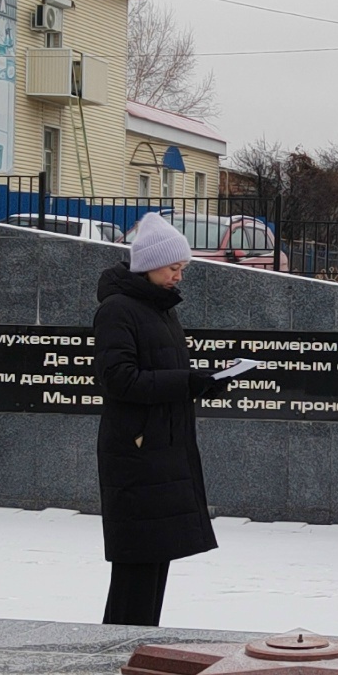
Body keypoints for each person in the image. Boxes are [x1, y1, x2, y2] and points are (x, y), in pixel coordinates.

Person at [93, 212, 219, 626]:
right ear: (148, 265)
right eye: (173, 268)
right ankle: (115, 656)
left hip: (163, 452)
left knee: (154, 564)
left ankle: (137, 646)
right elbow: (119, 380)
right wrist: (186, 382)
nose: (179, 277)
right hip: (136, 454)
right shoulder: (117, 310)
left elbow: (163, 373)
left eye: (182, 268)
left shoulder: (161, 309)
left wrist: (202, 382)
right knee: (136, 568)